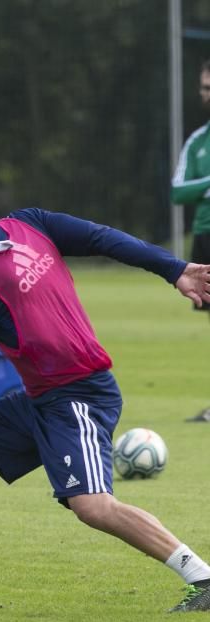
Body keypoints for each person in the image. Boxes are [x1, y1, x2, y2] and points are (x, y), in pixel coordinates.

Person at [0, 171, 210, 613]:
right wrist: (175, 269)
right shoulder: (28, 225)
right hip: (44, 397)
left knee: (93, 506)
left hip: (79, 397)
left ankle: (202, 575)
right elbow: (104, 238)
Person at [171, 58, 210, 422]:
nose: (206, 94)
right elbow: (178, 191)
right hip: (206, 236)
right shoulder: (198, 142)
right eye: (204, 87)